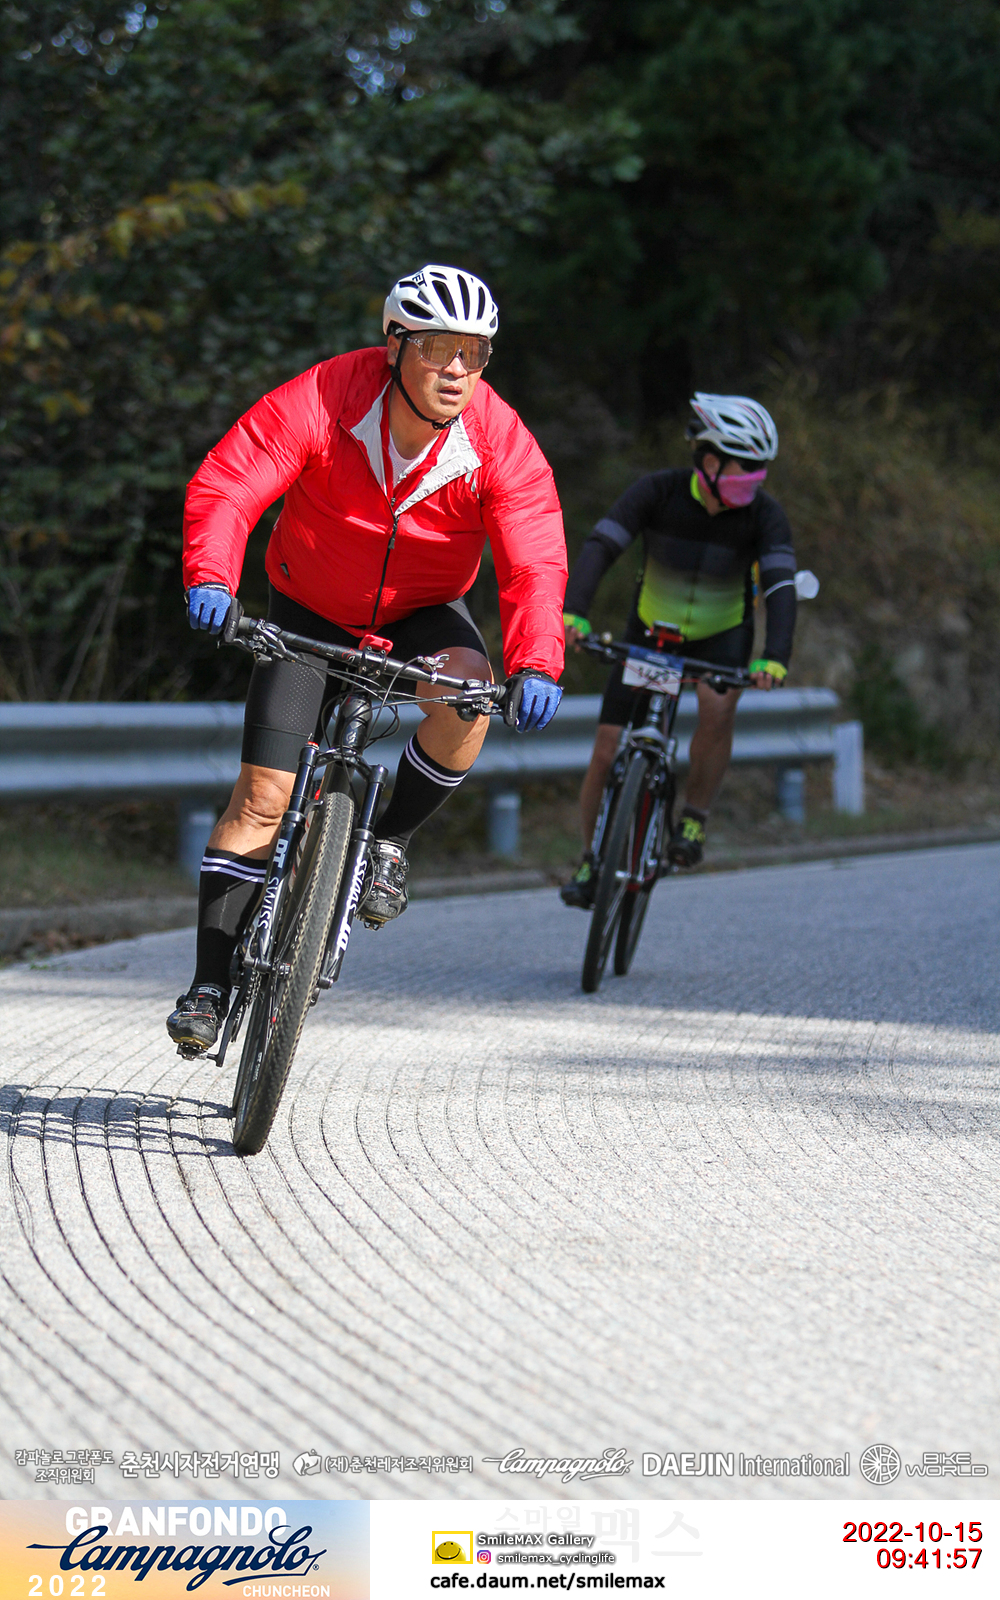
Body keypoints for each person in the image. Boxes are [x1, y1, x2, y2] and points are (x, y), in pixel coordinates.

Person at [168, 264, 567, 1053]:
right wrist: (212, 575)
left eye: (475, 353)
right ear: (395, 346)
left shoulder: (498, 439)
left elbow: (535, 560)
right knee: (262, 800)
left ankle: (386, 840)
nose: (457, 370)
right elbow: (233, 481)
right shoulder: (327, 396)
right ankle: (209, 987)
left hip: (421, 614)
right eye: (439, 349)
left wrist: (539, 662)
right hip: (309, 609)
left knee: (470, 696)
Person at [560, 392, 796, 907]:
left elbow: (781, 586)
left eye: (761, 470)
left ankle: (693, 819)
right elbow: (603, 545)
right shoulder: (658, 491)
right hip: (652, 635)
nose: (755, 479)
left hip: (721, 637)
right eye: (746, 467)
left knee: (717, 708)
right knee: (606, 749)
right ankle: (591, 857)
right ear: (710, 462)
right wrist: (573, 611)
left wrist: (775, 656)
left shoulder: (765, 516)